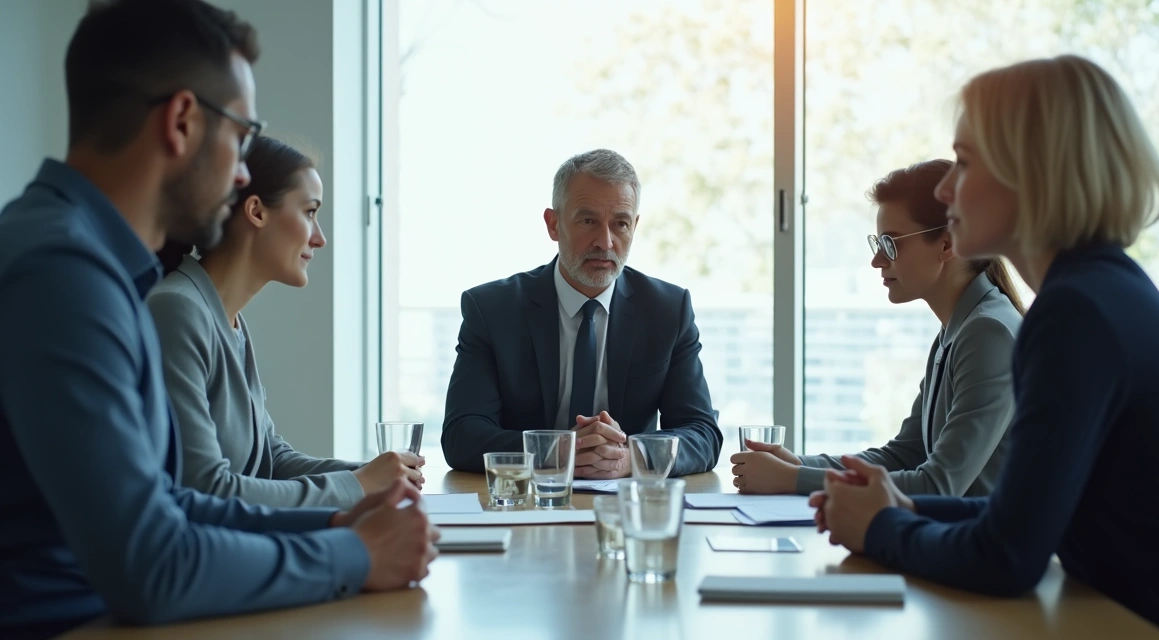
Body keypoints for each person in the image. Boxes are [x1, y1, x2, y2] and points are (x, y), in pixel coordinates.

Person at [0, 1, 437, 637]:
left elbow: (171, 504)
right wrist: (355, 554)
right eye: (240, 135)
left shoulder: (95, 264)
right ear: (181, 121)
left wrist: (333, 524)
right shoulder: (63, 273)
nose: (240, 173)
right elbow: (150, 565)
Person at [811, 54, 1159, 639]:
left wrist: (881, 527)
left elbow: (1007, 557)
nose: (947, 191)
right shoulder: (1099, 290)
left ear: (1035, 174)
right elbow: (1022, 517)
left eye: (965, 164)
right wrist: (902, 508)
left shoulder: (1075, 314)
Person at [149, 136, 423, 509]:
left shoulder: (227, 320)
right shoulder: (178, 311)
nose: (320, 238)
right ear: (257, 211)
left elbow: (271, 461)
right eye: (310, 212)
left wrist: (375, 473)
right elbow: (206, 490)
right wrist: (358, 484)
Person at [730, 160, 1023, 496]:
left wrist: (790, 480)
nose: (877, 260)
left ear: (946, 245)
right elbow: (903, 455)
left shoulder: (988, 333)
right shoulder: (959, 329)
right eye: (878, 244)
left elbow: (939, 485)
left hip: (973, 545)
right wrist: (796, 464)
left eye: (892, 244)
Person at [441, 149, 723, 478]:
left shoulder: (667, 310)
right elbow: (462, 435)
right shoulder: (492, 310)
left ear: (635, 226)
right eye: (588, 221)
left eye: (620, 223)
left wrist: (631, 457)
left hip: (627, 504)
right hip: (526, 503)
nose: (605, 242)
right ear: (553, 224)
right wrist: (559, 450)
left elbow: (702, 432)